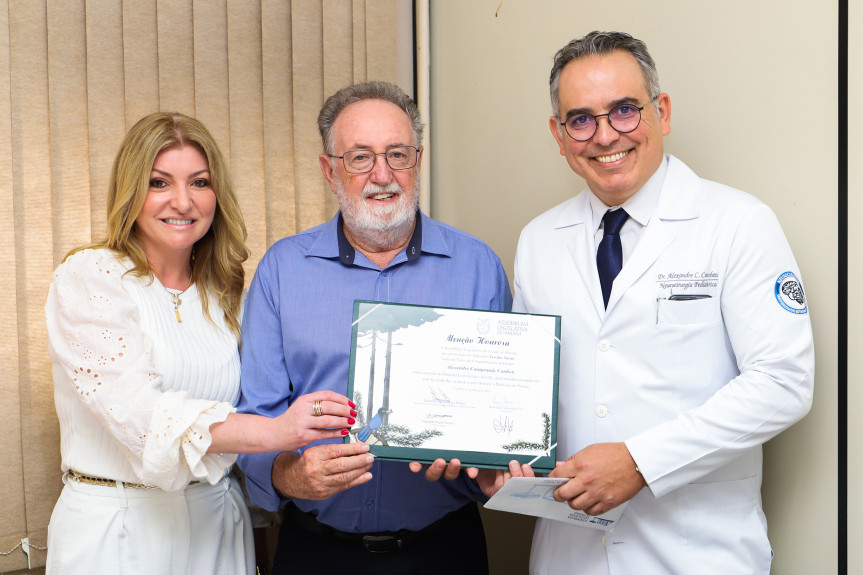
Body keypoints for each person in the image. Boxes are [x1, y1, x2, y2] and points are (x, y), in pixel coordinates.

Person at [511, 31, 815, 574]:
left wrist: (640, 463)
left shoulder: (737, 223)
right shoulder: (538, 240)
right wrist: (500, 457)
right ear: (559, 135)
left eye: (625, 110)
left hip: (695, 553)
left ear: (662, 112)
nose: (605, 136)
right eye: (581, 119)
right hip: (570, 556)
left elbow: (783, 382)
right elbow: (526, 393)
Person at [44, 112, 355, 575]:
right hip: (118, 530)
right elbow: (144, 419)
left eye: (200, 182)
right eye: (159, 182)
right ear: (130, 192)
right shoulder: (90, 277)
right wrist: (276, 432)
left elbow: (260, 393)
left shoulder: (223, 293)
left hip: (218, 528)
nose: (183, 201)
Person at [236, 81, 512, 574]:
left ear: (418, 161)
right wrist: (290, 476)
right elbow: (255, 415)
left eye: (397, 155)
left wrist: (482, 462)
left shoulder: (478, 266)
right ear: (329, 169)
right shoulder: (282, 270)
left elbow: (503, 417)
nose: (382, 175)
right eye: (360, 157)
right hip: (315, 552)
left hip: (444, 550)